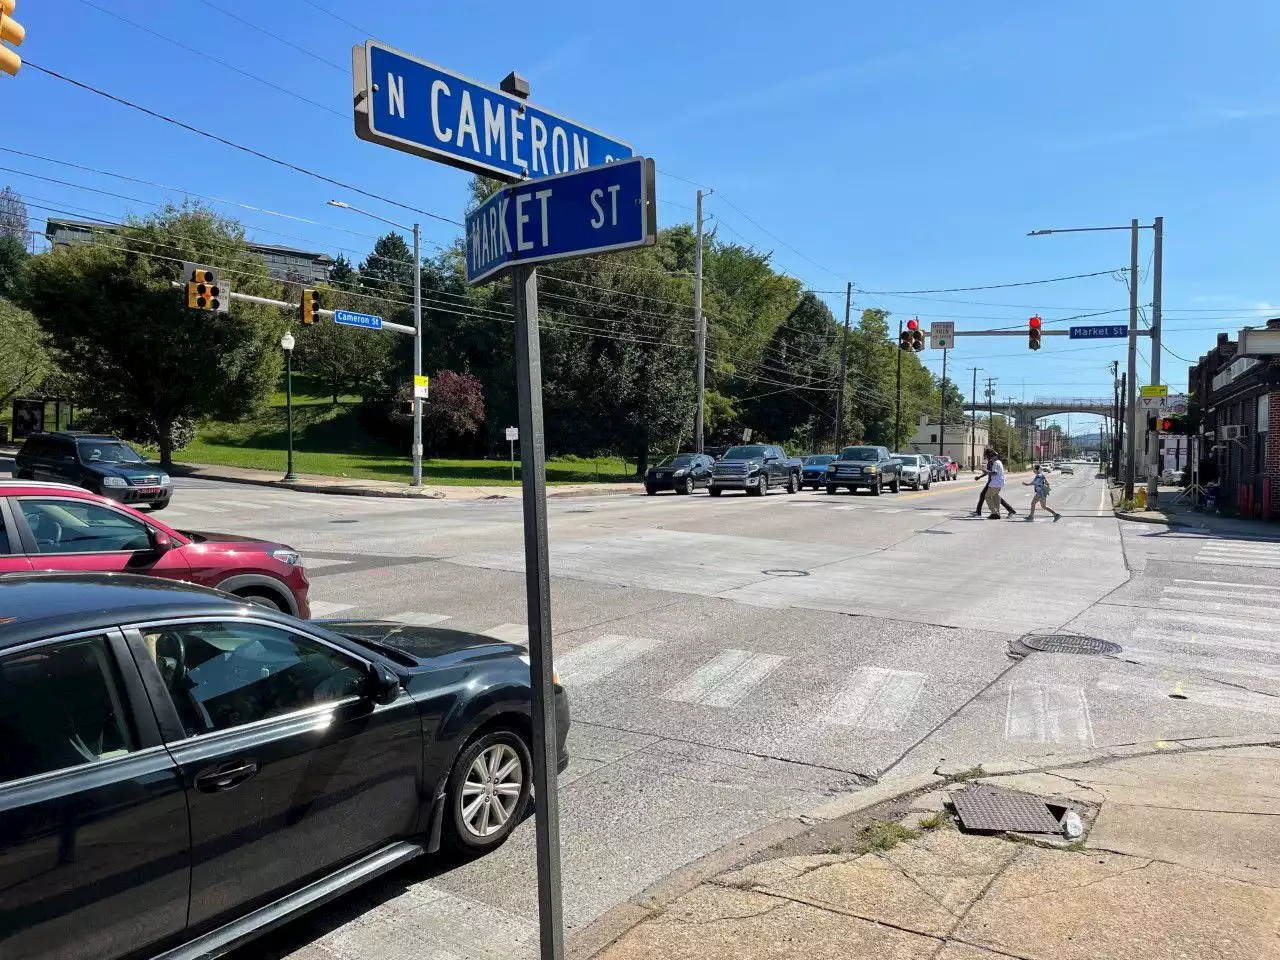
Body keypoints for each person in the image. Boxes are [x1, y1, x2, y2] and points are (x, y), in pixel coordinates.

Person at [973, 449, 1016, 518]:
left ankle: (992, 512)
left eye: (987, 455)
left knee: (986, 496)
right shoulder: (997, 462)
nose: (986, 457)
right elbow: (990, 472)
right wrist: (980, 476)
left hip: (993, 482)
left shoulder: (993, 462)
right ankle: (1005, 511)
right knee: (995, 496)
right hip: (996, 482)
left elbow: (993, 472)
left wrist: (984, 473)